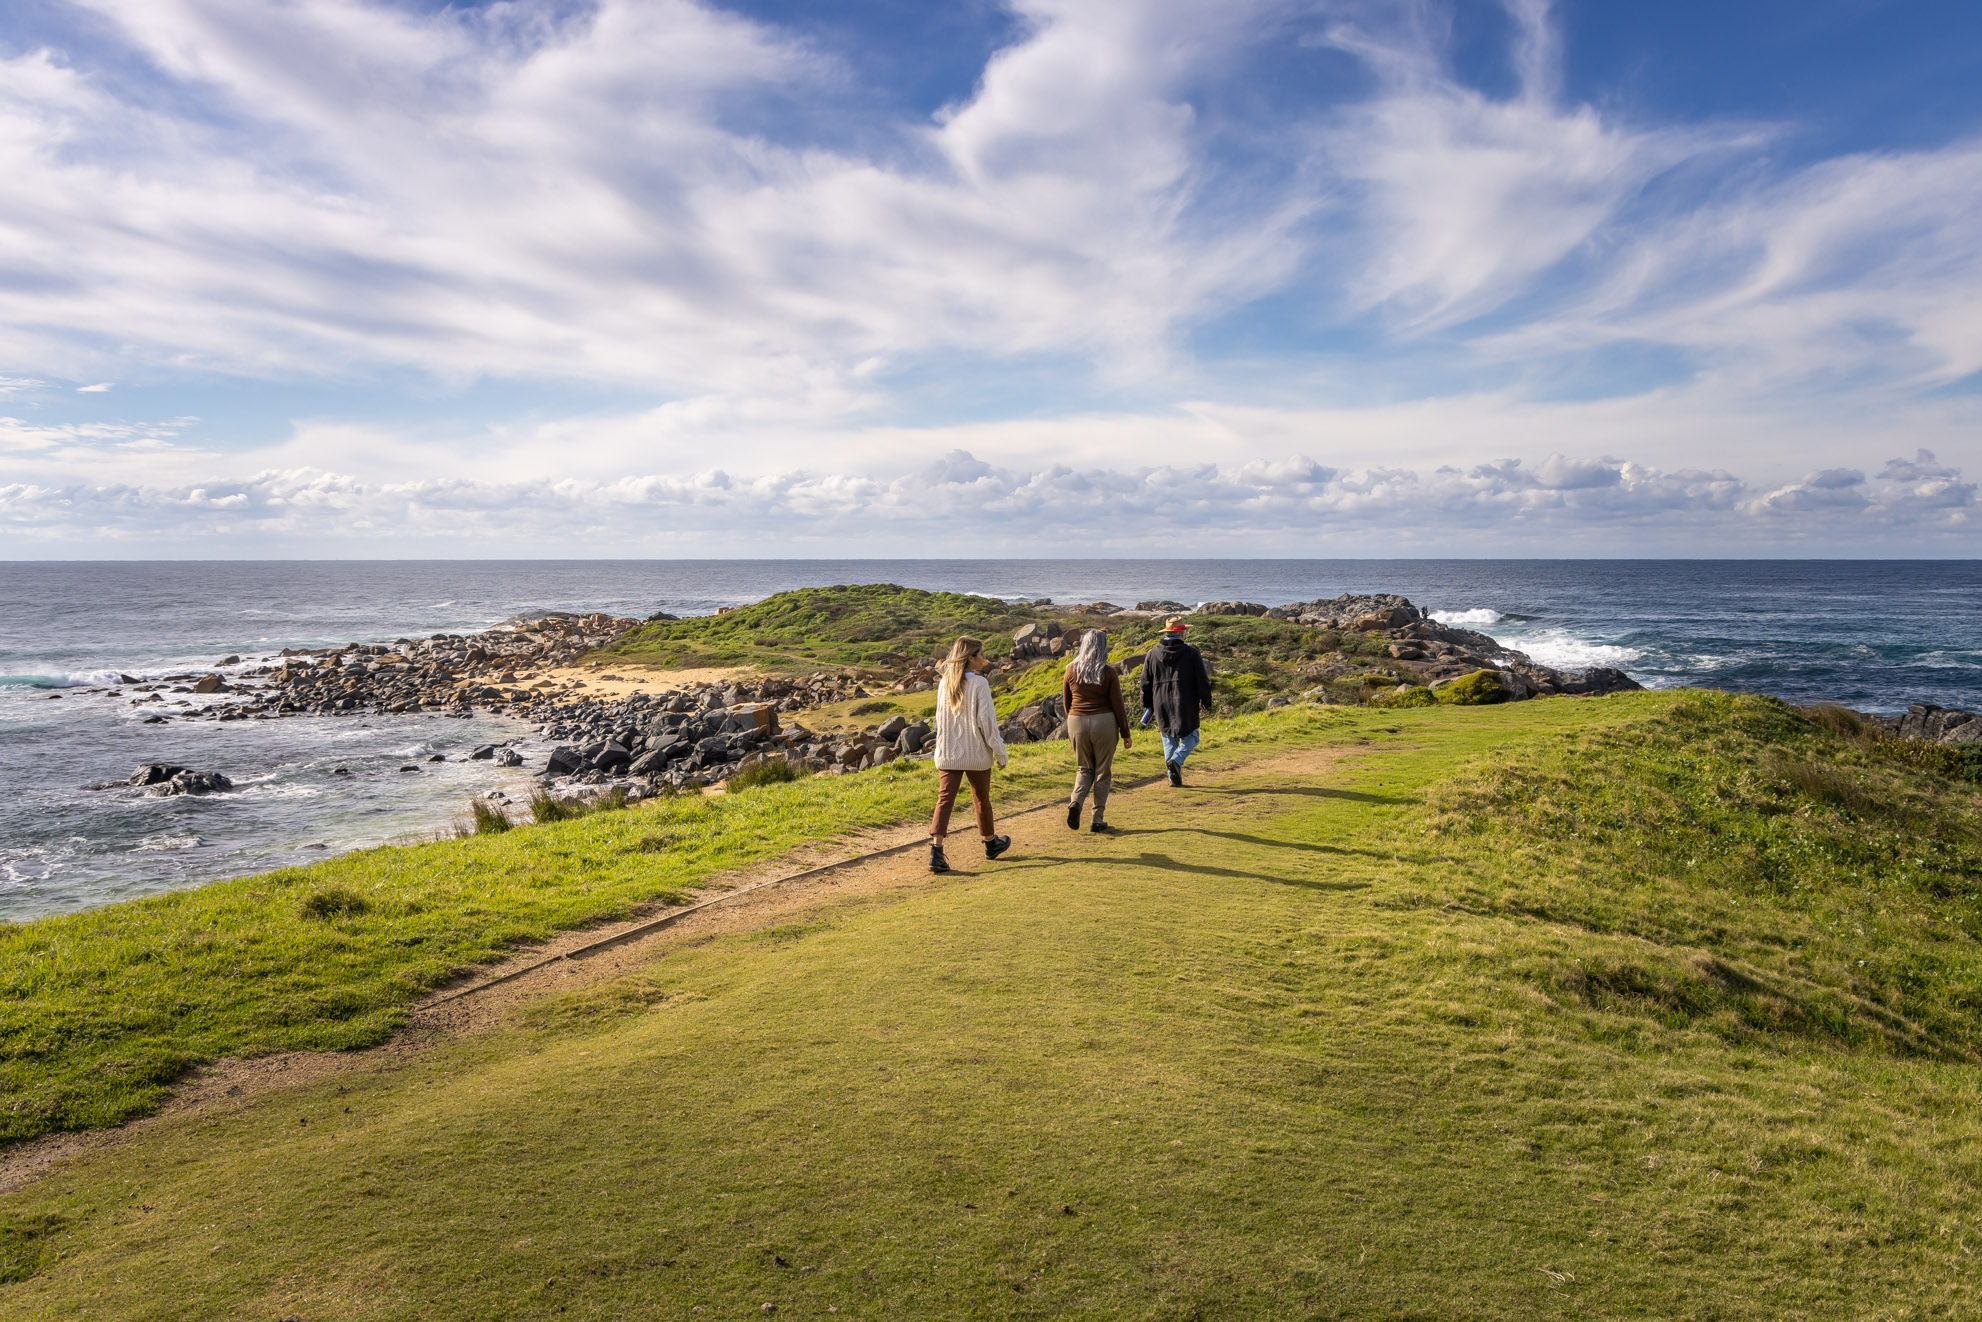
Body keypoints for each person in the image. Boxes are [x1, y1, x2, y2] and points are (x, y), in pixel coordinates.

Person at [928, 635, 1011, 874]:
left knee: (944, 800)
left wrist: (941, 749)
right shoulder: (980, 684)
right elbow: (987, 723)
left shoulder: (945, 683)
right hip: (976, 753)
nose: (984, 659)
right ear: (970, 658)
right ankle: (990, 843)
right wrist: (1000, 752)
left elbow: (939, 721)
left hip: (948, 753)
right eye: (981, 655)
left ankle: (936, 851)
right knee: (982, 799)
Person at [1061, 629, 1132, 832]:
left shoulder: (1070, 670)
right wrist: (1125, 734)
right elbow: (1118, 705)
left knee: (1084, 768)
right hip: (1104, 722)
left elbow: (1067, 702)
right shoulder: (1108, 672)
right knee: (1102, 771)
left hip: (1076, 721)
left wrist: (1073, 723)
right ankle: (1097, 819)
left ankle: (1076, 801)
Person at [1139, 616, 1212, 786]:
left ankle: (1173, 779)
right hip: (1185, 700)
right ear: (1180, 632)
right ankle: (1177, 762)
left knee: (1168, 739)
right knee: (1192, 736)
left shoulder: (1152, 653)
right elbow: (1202, 679)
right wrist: (1206, 701)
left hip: (1160, 701)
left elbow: (1145, 682)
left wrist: (1148, 705)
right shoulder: (1191, 652)